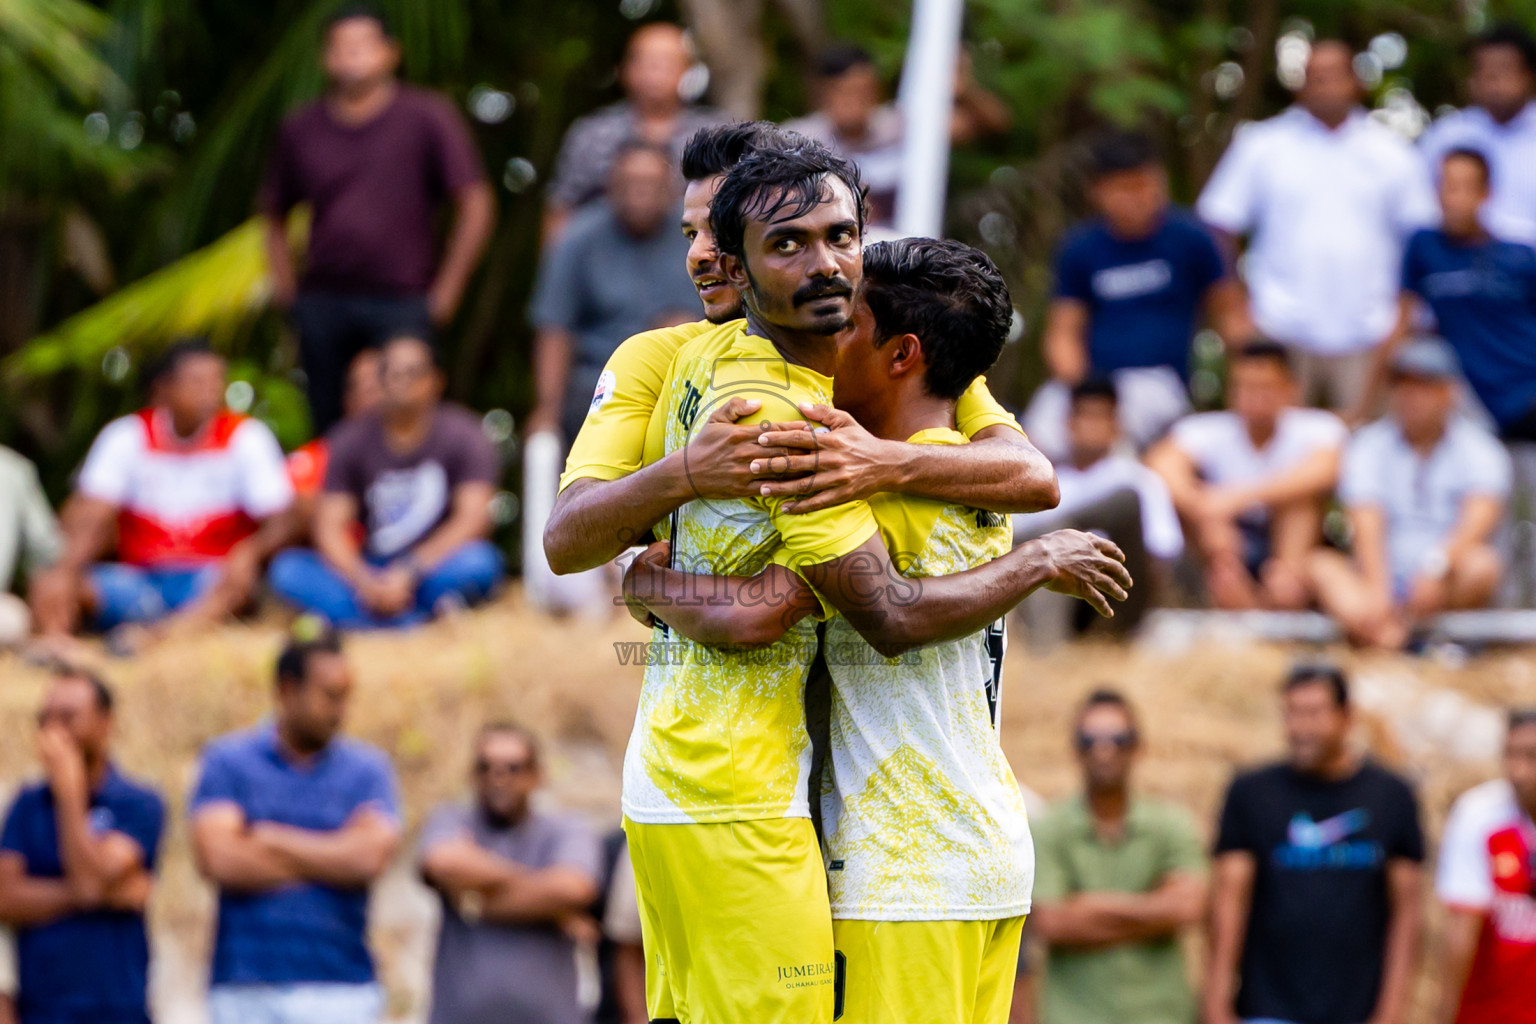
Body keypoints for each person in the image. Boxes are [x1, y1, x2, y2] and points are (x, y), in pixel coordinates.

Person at [621, 233, 1131, 1024]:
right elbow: (1036, 475)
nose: (825, 338)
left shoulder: (866, 486)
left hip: (902, 872)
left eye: (846, 325)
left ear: (902, 355)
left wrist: (648, 584)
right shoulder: (975, 455)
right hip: (988, 853)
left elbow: (762, 614)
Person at [543, 122, 1059, 580]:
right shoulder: (651, 357)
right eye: (690, 232)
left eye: (719, 230)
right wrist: (683, 477)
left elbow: (1032, 475)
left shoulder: (875, 335)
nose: (701, 253)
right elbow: (565, 543)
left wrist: (881, 461)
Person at [261, 3, 494, 434]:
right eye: (341, 47)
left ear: (391, 53)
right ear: (325, 57)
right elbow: (272, 214)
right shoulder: (301, 128)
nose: (353, 57)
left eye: (364, 45)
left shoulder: (427, 116)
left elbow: (475, 202)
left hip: (404, 299)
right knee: (328, 421)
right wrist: (288, 294)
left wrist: (447, 292)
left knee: (410, 421)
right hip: (324, 299)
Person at [1197, 40, 1438, 411]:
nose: (1324, 86)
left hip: (1371, 332)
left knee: (1368, 451)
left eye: (1334, 76)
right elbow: (1217, 222)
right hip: (1279, 330)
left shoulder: (1393, 153)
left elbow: (1424, 239)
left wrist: (1405, 321)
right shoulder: (1263, 145)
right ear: (1299, 85)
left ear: (1357, 82)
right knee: (1282, 457)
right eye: (1314, 77)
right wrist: (1234, 311)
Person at [189, 629, 401, 1024]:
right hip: (245, 988)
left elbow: (369, 859)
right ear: (288, 690)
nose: (341, 710)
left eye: (346, 696)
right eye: (330, 696)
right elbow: (220, 860)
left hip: (342, 988)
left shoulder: (367, 770)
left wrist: (269, 839)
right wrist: (335, 852)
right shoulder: (227, 761)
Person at [29, 340, 294, 640]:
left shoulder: (246, 437)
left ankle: (164, 638)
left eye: (217, 380)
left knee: (240, 581)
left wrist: (249, 552)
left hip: (211, 579)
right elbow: (90, 515)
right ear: (163, 389)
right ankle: (55, 644)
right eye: (197, 381)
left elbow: (282, 520)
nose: (211, 390)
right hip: (137, 581)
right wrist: (66, 570)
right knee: (60, 576)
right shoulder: (126, 435)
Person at [1204, 663, 1425, 1024]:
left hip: (1356, 1012)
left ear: (1347, 717)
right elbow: (1228, 901)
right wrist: (1216, 1006)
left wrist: (1392, 1012)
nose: (1300, 728)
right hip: (1267, 1010)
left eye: (1313, 714)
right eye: (1291, 713)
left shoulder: (1391, 796)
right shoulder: (1252, 793)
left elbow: (1408, 914)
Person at [1024, 130, 1250, 460]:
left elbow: (1230, 315)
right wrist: (1085, 393)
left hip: (1160, 384)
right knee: (1034, 436)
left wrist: (1247, 377)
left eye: (1145, 184)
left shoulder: (1192, 240)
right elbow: (1063, 334)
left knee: (1111, 441)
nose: (1138, 197)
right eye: (1125, 188)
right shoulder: (1080, 249)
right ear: (1098, 191)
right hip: (1091, 385)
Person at [268, 334, 504, 628]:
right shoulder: (348, 439)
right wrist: (364, 580)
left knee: (480, 561)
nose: (401, 381)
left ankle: (367, 623)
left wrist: (410, 571)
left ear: (435, 381)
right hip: (370, 569)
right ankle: (414, 622)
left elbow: (473, 520)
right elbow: (329, 527)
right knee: (288, 570)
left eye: (412, 373)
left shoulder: (466, 435)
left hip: (434, 566)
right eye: (392, 373)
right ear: (381, 381)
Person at [1309, 337, 1510, 649]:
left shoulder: (1480, 449)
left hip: (1443, 579)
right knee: (1320, 566)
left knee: (1482, 565)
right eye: (1402, 385)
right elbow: (1366, 522)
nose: (1409, 395)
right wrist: (1379, 591)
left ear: (1449, 392)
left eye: (1422, 386)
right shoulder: (1369, 444)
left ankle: (1390, 639)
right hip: (1380, 577)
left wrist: (1436, 567)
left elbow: (1478, 521)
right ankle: (1395, 637)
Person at [1029, 689, 1206, 1024]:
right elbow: (1050, 923)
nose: (1104, 750)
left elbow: (1188, 907)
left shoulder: (1172, 824)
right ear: (1075, 748)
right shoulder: (1049, 829)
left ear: (1139, 746)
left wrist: (1088, 907)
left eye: (1118, 738)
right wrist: (1154, 909)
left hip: (1162, 1015)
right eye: (1089, 739)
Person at [0, 667, 164, 1024]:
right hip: (42, 1011)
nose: (55, 730)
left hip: (118, 1009)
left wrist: (70, 794)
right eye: (46, 718)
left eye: (69, 716)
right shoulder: (25, 806)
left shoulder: (138, 802)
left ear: (106, 722)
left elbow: (90, 880)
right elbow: (7, 898)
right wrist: (107, 895)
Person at [418, 723, 603, 1024]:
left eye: (513, 768)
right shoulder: (449, 819)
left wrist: (476, 898)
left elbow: (574, 888)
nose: (498, 778)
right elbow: (442, 862)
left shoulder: (568, 829)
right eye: (485, 767)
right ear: (472, 774)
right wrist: (554, 909)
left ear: (537, 776)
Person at [1146, 341, 1345, 610]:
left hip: (1291, 548)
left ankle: (1285, 580)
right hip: (1225, 548)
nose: (1255, 397)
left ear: (1289, 389)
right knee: (1208, 517)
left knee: (1299, 504)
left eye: (1265, 387)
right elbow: (1159, 464)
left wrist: (1236, 498)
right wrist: (1202, 505)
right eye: (1246, 387)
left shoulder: (1317, 427)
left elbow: (1327, 470)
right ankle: (1238, 592)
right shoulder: (1207, 429)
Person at [528, 140, 702, 445]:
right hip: (598, 380)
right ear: (611, 185)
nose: (640, 191)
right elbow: (554, 328)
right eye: (631, 181)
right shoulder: (576, 237)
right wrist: (547, 408)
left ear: (672, 190)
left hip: (686, 374)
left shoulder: (698, 234)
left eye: (650, 182)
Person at [1366, 149, 1536, 437]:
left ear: (1486, 194)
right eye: (1446, 186)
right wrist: (1365, 407)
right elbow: (1401, 324)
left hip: (1527, 389)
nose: (1453, 198)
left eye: (1464, 187)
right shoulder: (1424, 247)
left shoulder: (1520, 256)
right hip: (1475, 404)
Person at [784, 43, 1010, 230]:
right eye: (845, 92)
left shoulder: (901, 126)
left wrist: (962, 88)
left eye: (863, 91)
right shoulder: (798, 141)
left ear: (877, 90)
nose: (855, 102)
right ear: (823, 94)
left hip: (903, 258)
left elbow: (991, 125)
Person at [1019, 378, 1183, 630]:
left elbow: (1162, 552)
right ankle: (1049, 651)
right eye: (1086, 416)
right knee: (1041, 551)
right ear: (1069, 424)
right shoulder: (1048, 483)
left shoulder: (1140, 480)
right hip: (1060, 596)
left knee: (1125, 501)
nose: (1093, 427)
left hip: (1119, 597)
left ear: (1116, 425)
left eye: (1101, 417)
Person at [544, 23, 727, 237]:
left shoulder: (716, 137)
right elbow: (561, 208)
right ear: (625, 69)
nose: (656, 73)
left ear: (687, 72)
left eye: (667, 63)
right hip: (605, 259)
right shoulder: (592, 133)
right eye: (647, 62)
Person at [1434, 707, 1536, 1024]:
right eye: (1510, 755)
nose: (1517, 771)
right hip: (1489, 1013)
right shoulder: (1479, 814)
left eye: (1531, 756)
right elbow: (1460, 932)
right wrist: (1446, 1014)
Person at [1420, 23, 1536, 246]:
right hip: (1460, 272)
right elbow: (1423, 208)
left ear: (1528, 75)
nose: (1494, 81)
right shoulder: (1447, 136)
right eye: (1485, 71)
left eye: (1504, 70)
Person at [287, 348, 385, 541]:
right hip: (334, 555)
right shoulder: (316, 455)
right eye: (366, 390)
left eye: (379, 388)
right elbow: (290, 506)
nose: (374, 400)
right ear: (348, 400)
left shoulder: (423, 449)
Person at [0, 447, 61, 647]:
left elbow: (48, 554)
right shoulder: (14, 468)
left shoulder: (14, 469)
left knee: (13, 619)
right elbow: (48, 553)